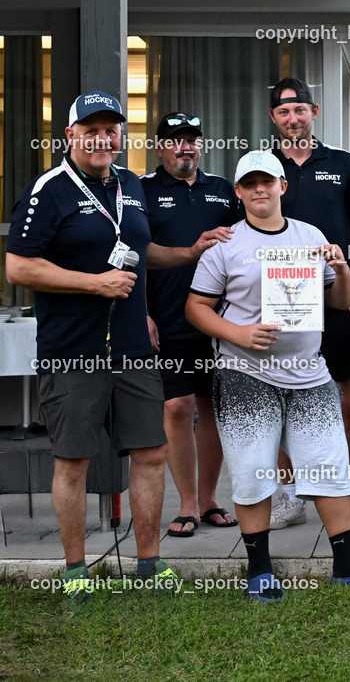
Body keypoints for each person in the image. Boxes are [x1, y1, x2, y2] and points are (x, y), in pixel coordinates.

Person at [6, 91, 226, 601]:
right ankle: (76, 571)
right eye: (92, 129)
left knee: (150, 453)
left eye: (112, 129)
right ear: (71, 136)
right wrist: (94, 283)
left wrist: (189, 252)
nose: (104, 138)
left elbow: (140, 252)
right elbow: (18, 267)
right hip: (73, 349)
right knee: (75, 459)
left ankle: (148, 565)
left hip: (131, 346)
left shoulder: (129, 184)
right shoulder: (49, 189)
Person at [185, 151, 350, 601]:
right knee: (252, 470)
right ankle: (260, 569)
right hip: (244, 371)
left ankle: (348, 562)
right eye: (250, 184)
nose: (259, 190)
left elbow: (341, 301)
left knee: (328, 465)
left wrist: (341, 264)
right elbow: (195, 307)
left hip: (307, 371)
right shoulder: (228, 243)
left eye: (267, 181)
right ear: (239, 192)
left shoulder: (310, 236)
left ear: (283, 186)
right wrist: (239, 333)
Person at [267, 77, 350, 531]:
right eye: (283, 112)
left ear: (314, 112)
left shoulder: (344, 164)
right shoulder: (261, 166)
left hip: (335, 299)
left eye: (300, 110)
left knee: (342, 400)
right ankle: (289, 497)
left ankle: (344, 494)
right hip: (278, 302)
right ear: (274, 118)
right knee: (277, 399)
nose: (293, 118)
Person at [142, 112, 244, 538]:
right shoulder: (141, 189)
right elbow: (134, 251)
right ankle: (185, 504)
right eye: (176, 140)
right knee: (177, 407)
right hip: (167, 319)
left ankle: (208, 499)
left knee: (213, 408)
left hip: (219, 321)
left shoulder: (222, 191)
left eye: (193, 140)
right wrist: (140, 312)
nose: (186, 147)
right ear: (160, 146)